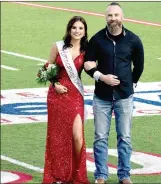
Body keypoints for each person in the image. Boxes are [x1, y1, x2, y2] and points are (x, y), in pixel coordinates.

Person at [84, 2, 144, 184]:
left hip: (124, 96)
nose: (113, 19)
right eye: (110, 16)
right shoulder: (97, 39)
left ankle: (124, 175)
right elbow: (88, 64)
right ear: (106, 18)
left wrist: (130, 83)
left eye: (116, 15)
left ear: (122, 17)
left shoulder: (133, 40)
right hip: (101, 96)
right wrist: (102, 77)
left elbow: (139, 66)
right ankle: (101, 175)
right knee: (100, 137)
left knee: (124, 137)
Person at [42, 16, 90, 184]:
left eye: (81, 28)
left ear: (85, 32)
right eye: (74, 27)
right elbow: (46, 68)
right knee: (58, 136)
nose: (77, 31)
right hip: (57, 96)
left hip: (75, 95)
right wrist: (55, 85)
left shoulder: (87, 50)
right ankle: (58, 175)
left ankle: (76, 173)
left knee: (78, 137)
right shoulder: (58, 46)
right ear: (69, 29)